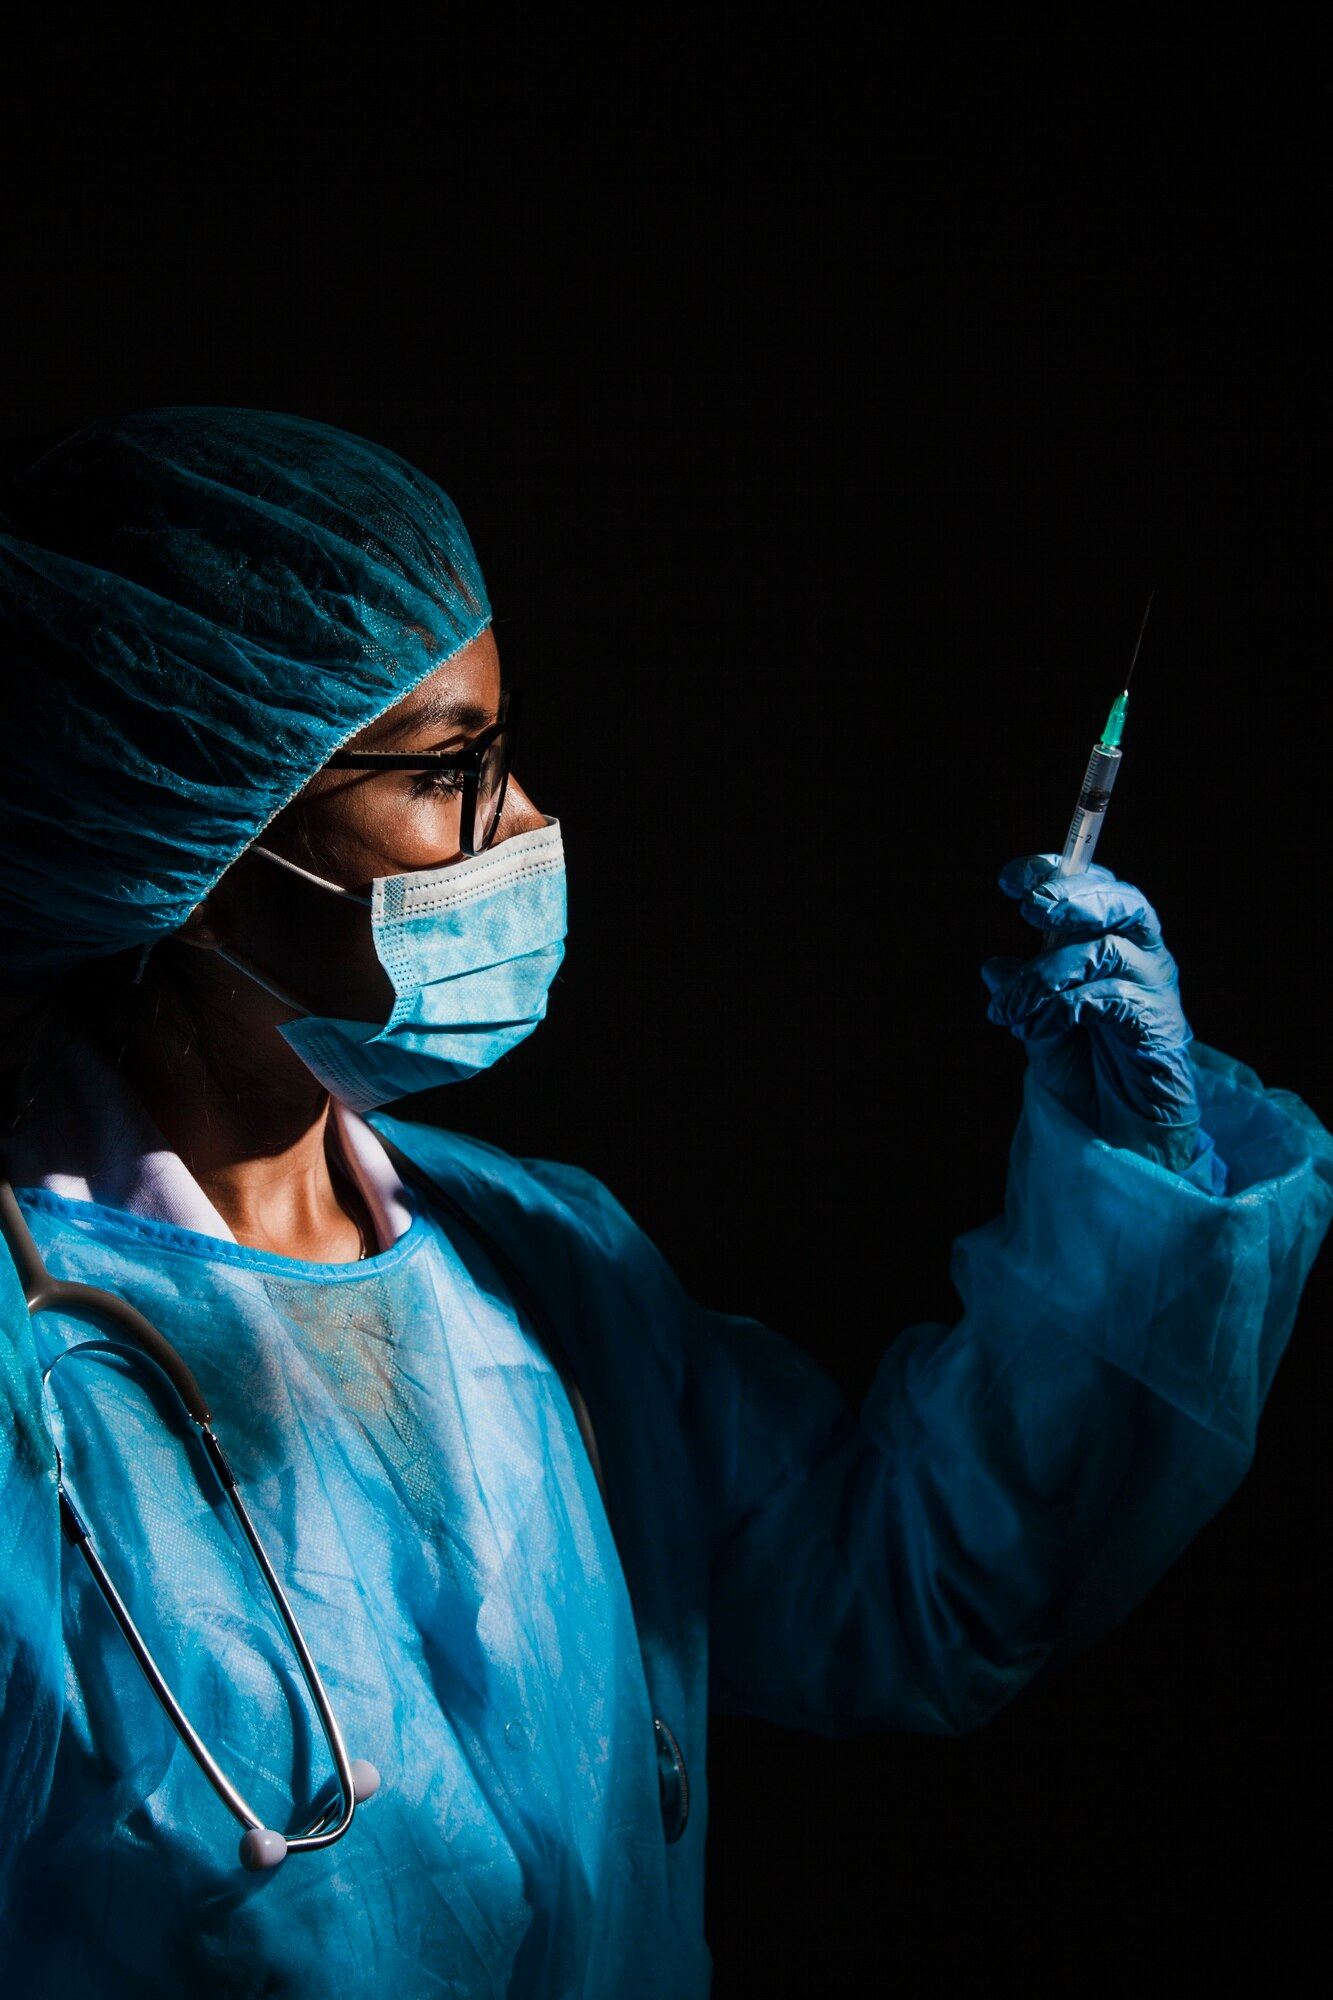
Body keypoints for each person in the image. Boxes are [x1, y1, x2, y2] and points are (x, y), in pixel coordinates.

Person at [0, 407, 1328, 1999]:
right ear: (201, 836)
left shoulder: (544, 1271)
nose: (525, 825)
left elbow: (912, 1590)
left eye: (507, 752)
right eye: (453, 770)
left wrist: (1132, 1179)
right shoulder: (29, 1396)